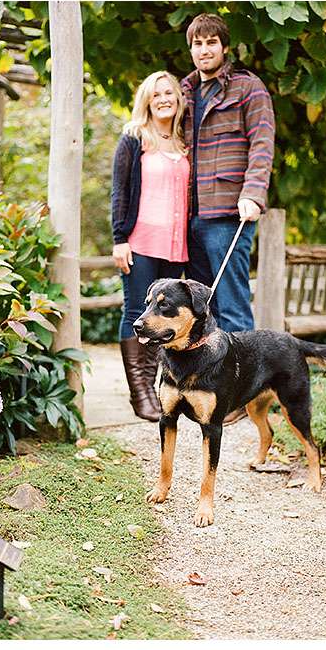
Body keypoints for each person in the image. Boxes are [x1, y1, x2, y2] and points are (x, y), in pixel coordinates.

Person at [180, 13, 276, 424]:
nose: (205, 50)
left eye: (211, 42)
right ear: (192, 50)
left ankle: (241, 396)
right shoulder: (183, 92)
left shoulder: (247, 88)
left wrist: (253, 193)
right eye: (197, 44)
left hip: (229, 212)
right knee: (203, 309)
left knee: (234, 306)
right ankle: (210, 387)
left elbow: (262, 141)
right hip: (190, 215)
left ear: (223, 46)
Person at [111, 71, 190, 422]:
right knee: (135, 313)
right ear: (147, 99)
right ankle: (139, 394)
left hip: (175, 245)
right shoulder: (134, 138)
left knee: (163, 318)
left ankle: (158, 390)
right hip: (141, 241)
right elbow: (119, 190)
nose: (163, 99)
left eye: (169, 92)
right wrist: (119, 239)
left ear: (178, 98)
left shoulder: (184, 143)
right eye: (156, 93)